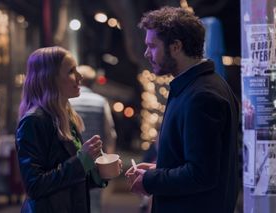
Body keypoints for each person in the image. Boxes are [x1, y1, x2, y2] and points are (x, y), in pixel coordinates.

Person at [125, 7, 240, 213]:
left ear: (176, 46)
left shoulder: (202, 96)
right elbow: (194, 160)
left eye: (152, 46)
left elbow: (200, 174)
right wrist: (158, 169)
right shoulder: (196, 85)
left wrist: (150, 180)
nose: (146, 53)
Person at [15, 46, 113, 213]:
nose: (80, 76)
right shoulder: (34, 121)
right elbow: (35, 185)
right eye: (71, 71)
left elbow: (72, 180)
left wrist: (99, 172)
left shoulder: (66, 117)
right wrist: (82, 160)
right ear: (50, 78)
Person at [69, 65, 117, 213]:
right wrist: (108, 159)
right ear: (92, 82)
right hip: (95, 157)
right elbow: (110, 134)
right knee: (94, 200)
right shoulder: (101, 101)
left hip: (72, 158)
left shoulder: (69, 101)